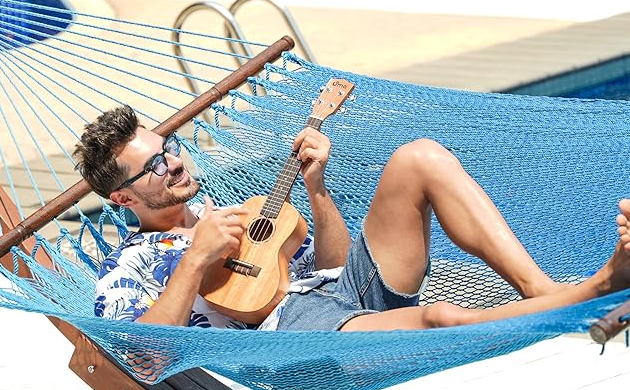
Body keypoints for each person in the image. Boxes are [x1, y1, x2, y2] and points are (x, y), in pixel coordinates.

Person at [73, 105, 630, 334]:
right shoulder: (127, 266)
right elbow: (142, 354)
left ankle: (542, 290)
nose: (173, 163)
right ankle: (602, 288)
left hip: (343, 290)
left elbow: (334, 265)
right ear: (121, 198)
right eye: (153, 166)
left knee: (419, 156)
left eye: (169, 148)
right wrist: (194, 262)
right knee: (440, 318)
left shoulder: (233, 212)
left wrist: (316, 188)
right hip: (294, 337)